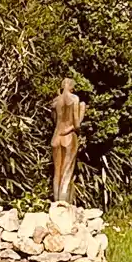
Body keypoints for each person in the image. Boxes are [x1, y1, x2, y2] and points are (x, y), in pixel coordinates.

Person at [50, 77, 87, 206]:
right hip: (68, 136)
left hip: (56, 137)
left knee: (57, 172)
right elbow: (76, 124)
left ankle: (56, 203)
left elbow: (55, 121)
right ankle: (63, 205)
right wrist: (82, 111)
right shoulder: (74, 99)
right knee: (66, 172)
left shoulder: (55, 101)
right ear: (72, 87)